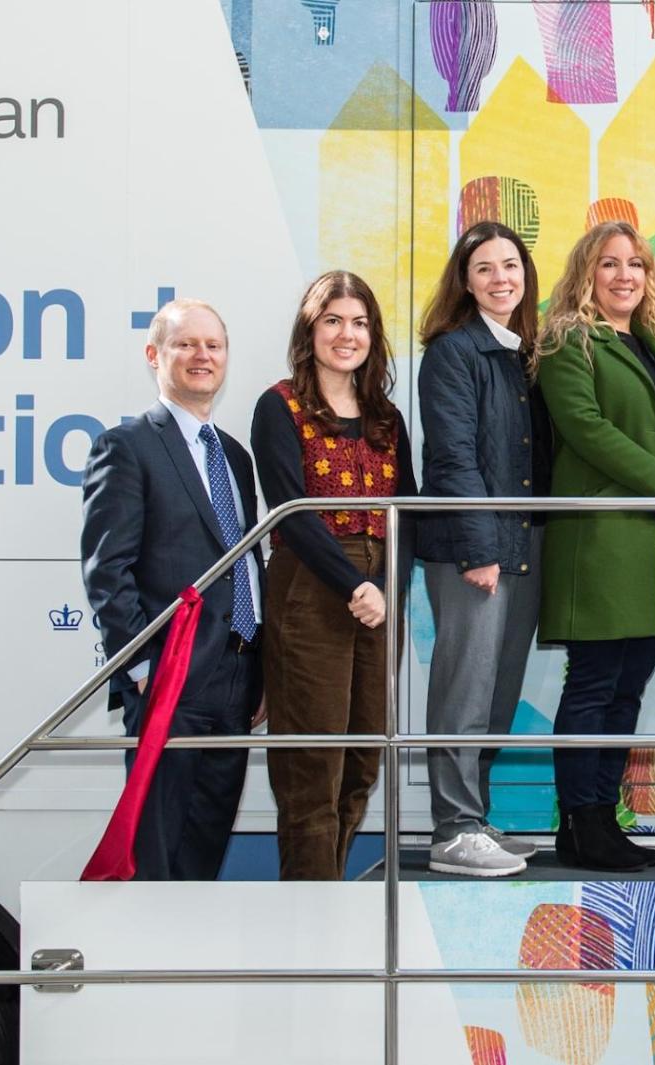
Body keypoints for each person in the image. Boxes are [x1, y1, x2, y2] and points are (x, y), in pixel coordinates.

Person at [536, 221, 655, 872]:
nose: (624, 275)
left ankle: (602, 820)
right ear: (587, 273)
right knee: (593, 685)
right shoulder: (568, 341)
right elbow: (585, 428)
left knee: (626, 690)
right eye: (609, 263)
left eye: (635, 263)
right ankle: (580, 824)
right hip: (601, 541)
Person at [80, 298, 263, 881]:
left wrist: (260, 668)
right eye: (186, 344)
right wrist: (141, 668)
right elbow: (107, 569)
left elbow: (245, 560)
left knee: (206, 842)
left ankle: (188, 944)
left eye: (214, 345)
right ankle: (147, 945)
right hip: (169, 674)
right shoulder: (127, 445)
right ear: (155, 355)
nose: (202, 356)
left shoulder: (234, 456)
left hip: (237, 674)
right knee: (154, 849)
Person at [250, 271, 417, 881]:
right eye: (333, 321)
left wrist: (387, 590)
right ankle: (309, 909)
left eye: (360, 323)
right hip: (313, 587)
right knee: (311, 765)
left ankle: (332, 897)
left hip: (379, 594)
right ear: (310, 330)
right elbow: (291, 513)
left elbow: (408, 512)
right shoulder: (279, 405)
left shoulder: (386, 417)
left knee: (361, 762)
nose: (348, 335)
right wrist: (355, 586)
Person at [416, 222, 549, 878]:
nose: (501, 278)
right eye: (486, 268)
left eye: (511, 266)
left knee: (497, 694)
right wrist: (478, 548)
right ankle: (453, 829)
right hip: (473, 549)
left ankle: (477, 817)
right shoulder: (453, 351)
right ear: (465, 282)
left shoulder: (522, 351)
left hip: (520, 543)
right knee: (463, 691)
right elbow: (453, 457)